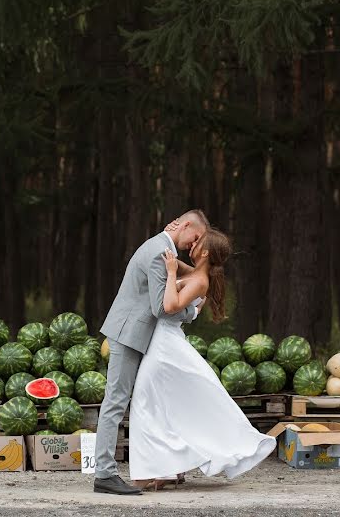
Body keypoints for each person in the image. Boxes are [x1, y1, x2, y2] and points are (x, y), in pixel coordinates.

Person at [128, 228, 276, 490]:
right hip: (163, 343)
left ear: (206, 252)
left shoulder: (199, 280)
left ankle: (149, 471)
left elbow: (169, 307)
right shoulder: (196, 274)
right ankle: (168, 469)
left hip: (164, 345)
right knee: (162, 404)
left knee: (144, 401)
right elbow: (184, 291)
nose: (193, 243)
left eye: (198, 242)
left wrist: (172, 273)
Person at [93, 209, 209, 496]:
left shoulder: (162, 247)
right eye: (193, 238)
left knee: (135, 400)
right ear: (183, 226)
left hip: (135, 333)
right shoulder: (160, 251)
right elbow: (161, 307)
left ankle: (161, 467)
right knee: (116, 402)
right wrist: (191, 311)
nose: (191, 245)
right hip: (128, 334)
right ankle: (104, 474)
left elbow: (171, 283)